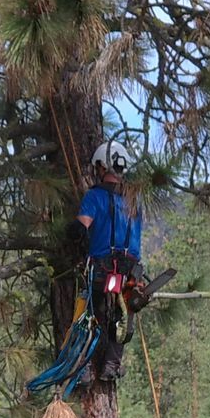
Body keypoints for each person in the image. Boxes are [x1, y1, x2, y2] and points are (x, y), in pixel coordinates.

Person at [75, 139, 143, 382]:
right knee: (123, 315)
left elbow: (81, 227)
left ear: (103, 167)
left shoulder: (94, 197)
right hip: (129, 270)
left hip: (102, 267)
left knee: (89, 313)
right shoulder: (135, 201)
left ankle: (82, 369)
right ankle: (111, 365)